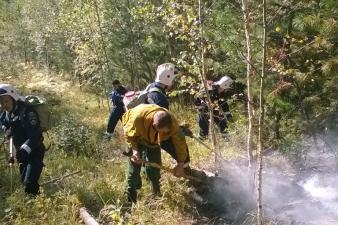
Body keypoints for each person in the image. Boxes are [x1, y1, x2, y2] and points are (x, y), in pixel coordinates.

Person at [122, 104, 189, 203]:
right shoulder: (137, 119)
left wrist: (180, 164)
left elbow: (180, 143)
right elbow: (129, 135)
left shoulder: (172, 122)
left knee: (155, 165)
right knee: (134, 168)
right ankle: (130, 200)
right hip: (136, 137)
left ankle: (156, 192)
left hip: (153, 141)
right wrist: (135, 151)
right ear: (154, 126)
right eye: (163, 132)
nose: (166, 133)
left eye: (167, 132)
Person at [0, 84, 45, 196]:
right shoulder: (7, 113)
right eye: (1, 102)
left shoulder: (27, 113)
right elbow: (2, 122)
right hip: (21, 153)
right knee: (24, 181)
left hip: (34, 152)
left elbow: (35, 136)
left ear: (13, 98)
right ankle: (35, 199)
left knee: (29, 183)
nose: (4, 105)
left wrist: (24, 150)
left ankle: (34, 207)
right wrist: (5, 128)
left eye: (6, 101)